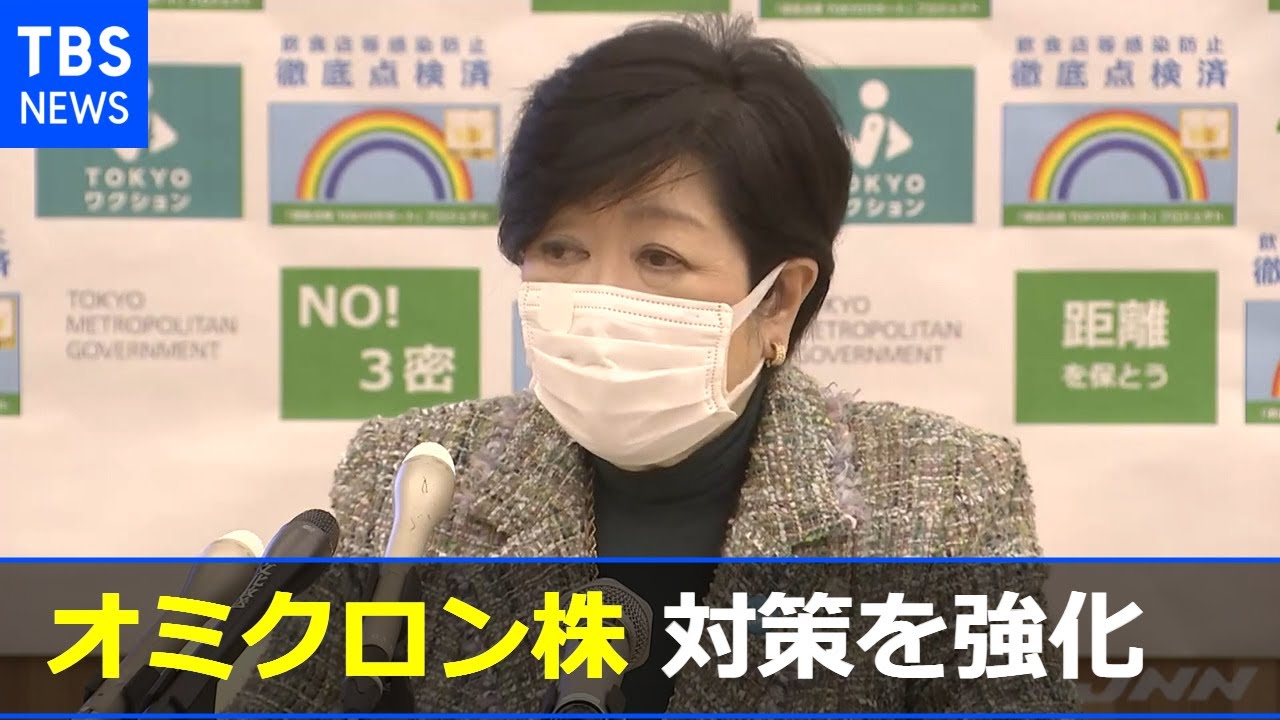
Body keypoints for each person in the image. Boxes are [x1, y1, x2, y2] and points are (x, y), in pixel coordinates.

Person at [226, 13, 1079, 714]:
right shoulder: (411, 479)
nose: (597, 297)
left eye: (660, 258)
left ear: (779, 299)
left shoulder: (945, 497)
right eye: (560, 249)